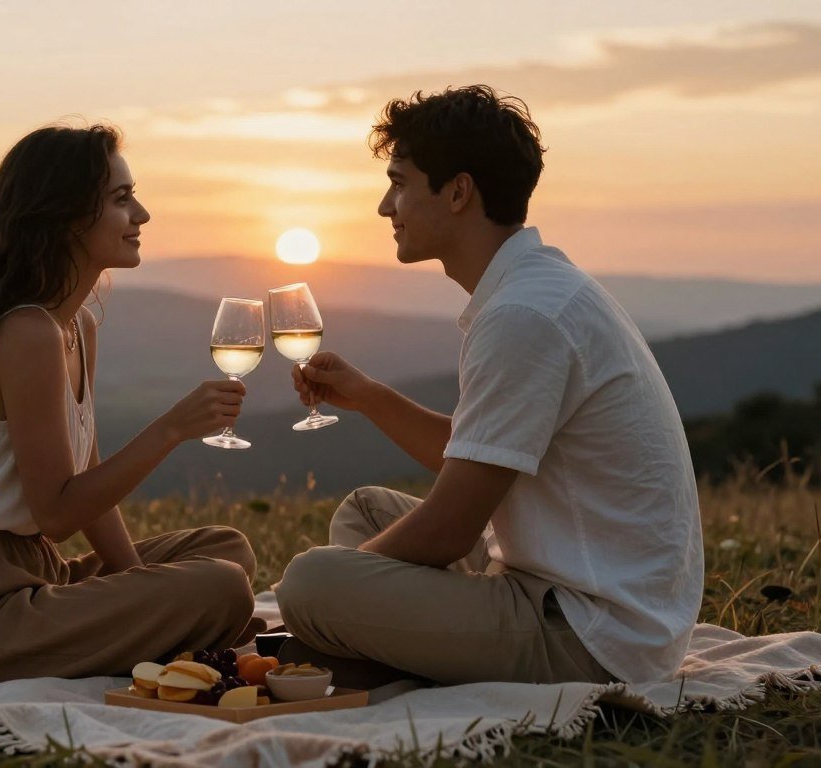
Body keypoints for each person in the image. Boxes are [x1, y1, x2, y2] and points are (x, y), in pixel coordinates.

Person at [274, 86, 704, 686]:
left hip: (590, 632)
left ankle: (377, 645)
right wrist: (369, 395)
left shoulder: (524, 315)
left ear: (458, 192)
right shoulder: (531, 289)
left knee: (311, 582)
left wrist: (328, 601)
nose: (383, 206)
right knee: (366, 513)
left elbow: (451, 526)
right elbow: (483, 456)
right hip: (567, 584)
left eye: (399, 183)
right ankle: (396, 641)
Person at [0, 124, 263, 684]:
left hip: (37, 575)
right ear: (66, 216)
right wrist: (169, 430)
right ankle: (172, 635)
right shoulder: (26, 333)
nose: (142, 214)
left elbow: (83, 474)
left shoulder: (75, 325)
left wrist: (142, 589)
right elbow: (59, 512)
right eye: (121, 199)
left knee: (225, 551)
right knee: (221, 587)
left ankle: (159, 630)